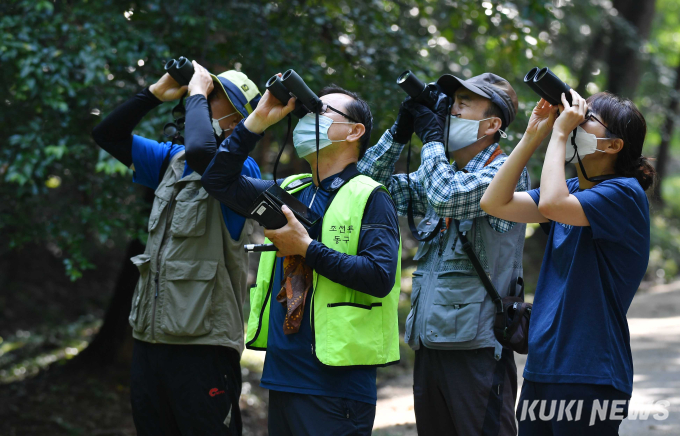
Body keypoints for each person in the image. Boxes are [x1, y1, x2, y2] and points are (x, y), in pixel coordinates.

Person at [200, 83, 401, 436]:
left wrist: (306, 248)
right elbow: (217, 180)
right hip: (283, 375)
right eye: (309, 111)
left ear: (355, 132)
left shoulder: (369, 195)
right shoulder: (290, 190)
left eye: (322, 112)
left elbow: (379, 277)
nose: (310, 119)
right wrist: (258, 120)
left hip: (336, 386)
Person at [91, 60, 262, 436]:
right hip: (151, 341)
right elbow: (107, 133)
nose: (198, 98)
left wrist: (198, 91)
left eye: (213, 96)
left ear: (237, 121)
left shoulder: (242, 172)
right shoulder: (173, 160)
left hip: (203, 347)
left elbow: (206, 154)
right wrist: (152, 94)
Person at [358, 72, 528, 435]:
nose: (451, 110)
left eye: (463, 104)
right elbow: (367, 185)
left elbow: (447, 196)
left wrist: (432, 139)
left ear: (491, 124)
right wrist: (398, 134)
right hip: (431, 343)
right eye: (451, 103)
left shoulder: (506, 173)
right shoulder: (444, 173)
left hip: (478, 349)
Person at [480, 90, 654, 435]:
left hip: (592, 372)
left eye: (586, 117)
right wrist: (534, 134)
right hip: (544, 368)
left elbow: (552, 205)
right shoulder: (569, 189)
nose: (574, 119)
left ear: (613, 145)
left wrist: (559, 134)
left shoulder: (625, 193)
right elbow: (494, 202)